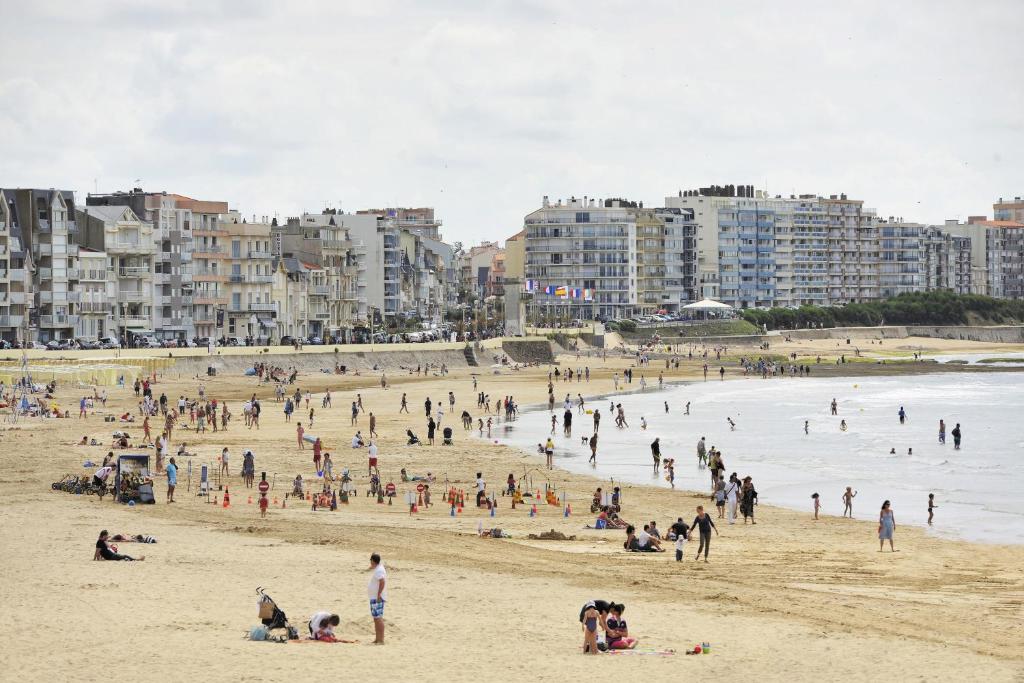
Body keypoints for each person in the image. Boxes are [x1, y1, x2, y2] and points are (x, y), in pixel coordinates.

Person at [367, 553, 387, 644]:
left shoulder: (379, 570)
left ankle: (381, 639)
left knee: (378, 618)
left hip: (377, 598)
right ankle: (377, 638)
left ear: (372, 561)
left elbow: (382, 582)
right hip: (374, 597)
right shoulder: (378, 568)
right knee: (376, 618)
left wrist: (379, 595)